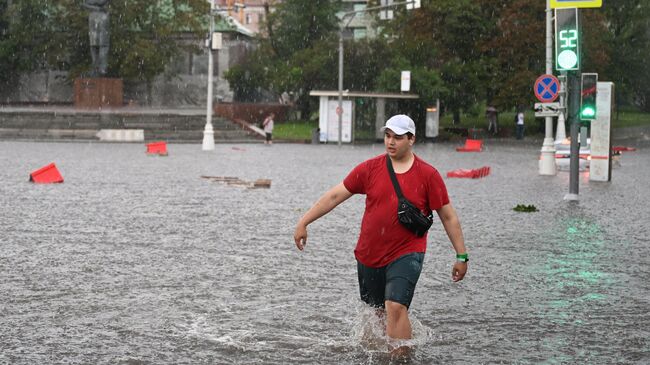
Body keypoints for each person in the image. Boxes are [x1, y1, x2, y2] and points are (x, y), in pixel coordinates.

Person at [293, 114, 468, 354]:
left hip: (407, 252)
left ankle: (400, 358)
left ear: (411, 139)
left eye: (397, 137)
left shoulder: (428, 175)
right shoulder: (370, 168)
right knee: (376, 314)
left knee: (395, 306)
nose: (391, 142)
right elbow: (335, 195)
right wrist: (304, 222)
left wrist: (461, 256)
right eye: (387, 136)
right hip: (369, 254)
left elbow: (448, 216)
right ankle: (382, 356)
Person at [83, 0, 110, 76]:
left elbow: (84, 4)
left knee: (98, 44)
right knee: (99, 44)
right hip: (99, 17)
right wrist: (98, 8)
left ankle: (98, 68)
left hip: (95, 16)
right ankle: (100, 68)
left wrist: (94, 7)